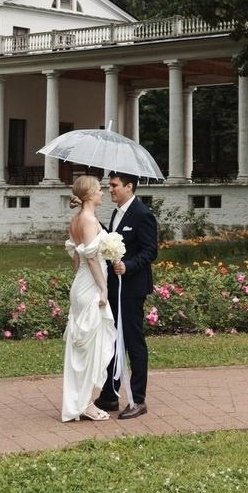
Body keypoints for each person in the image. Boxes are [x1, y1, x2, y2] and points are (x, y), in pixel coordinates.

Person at [94, 171, 158, 419]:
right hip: (114, 287)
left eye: (114, 185)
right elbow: (112, 241)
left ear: (129, 187)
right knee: (112, 339)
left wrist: (128, 266)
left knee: (133, 342)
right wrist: (89, 212)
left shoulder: (143, 214)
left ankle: (138, 400)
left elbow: (150, 251)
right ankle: (110, 395)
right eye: (109, 186)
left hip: (132, 289)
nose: (110, 189)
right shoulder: (116, 213)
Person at [61, 174, 117, 422]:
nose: (103, 192)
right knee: (89, 347)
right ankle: (84, 403)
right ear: (91, 194)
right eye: (99, 189)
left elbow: (77, 260)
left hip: (81, 284)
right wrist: (103, 289)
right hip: (92, 285)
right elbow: (92, 259)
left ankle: (80, 401)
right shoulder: (90, 220)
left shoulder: (75, 220)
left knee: (81, 347)